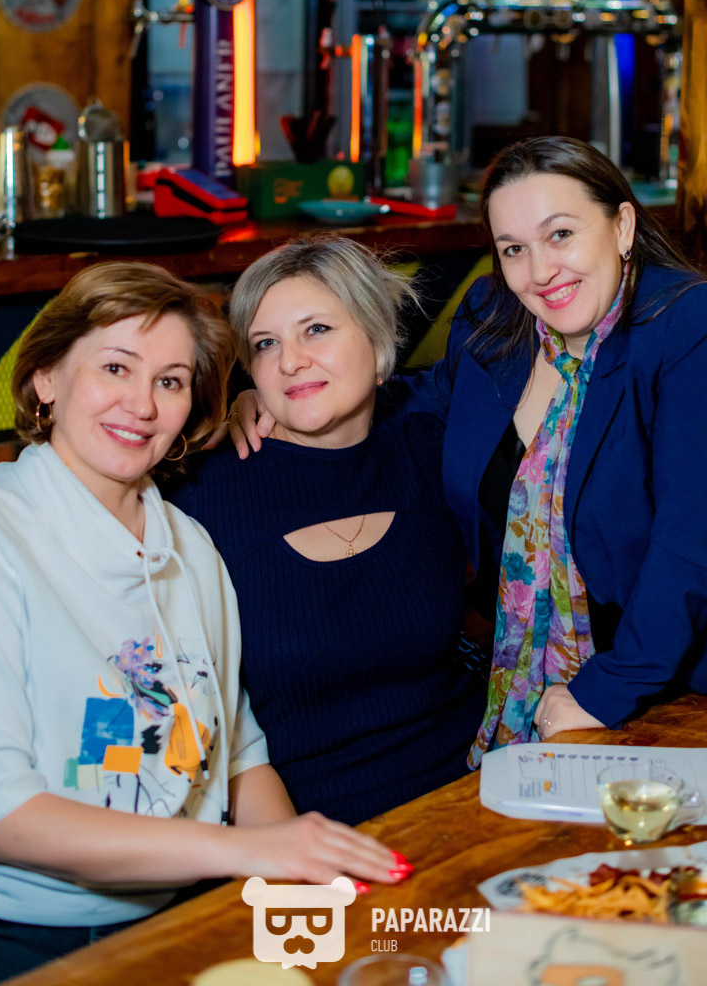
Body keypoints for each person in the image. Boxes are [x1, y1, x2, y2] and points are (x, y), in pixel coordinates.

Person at [233, 139, 707, 759]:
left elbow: (695, 539)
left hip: (687, 686)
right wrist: (274, 396)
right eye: (514, 250)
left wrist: (604, 691)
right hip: (530, 678)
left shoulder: (693, 323)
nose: (540, 271)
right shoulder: (493, 318)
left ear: (623, 226)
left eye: (561, 234)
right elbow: (419, 397)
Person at [0, 262, 404, 986]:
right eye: (115, 367)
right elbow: (4, 823)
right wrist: (247, 855)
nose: (142, 404)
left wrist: (305, 887)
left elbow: (241, 756)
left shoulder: (189, 546)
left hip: (174, 908)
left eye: (171, 380)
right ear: (46, 377)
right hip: (0, 928)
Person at [169, 236, 487, 826]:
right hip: (309, 828)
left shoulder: (433, 446)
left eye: (316, 330)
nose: (290, 361)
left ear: (377, 336)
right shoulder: (199, 497)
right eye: (266, 344)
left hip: (475, 791)